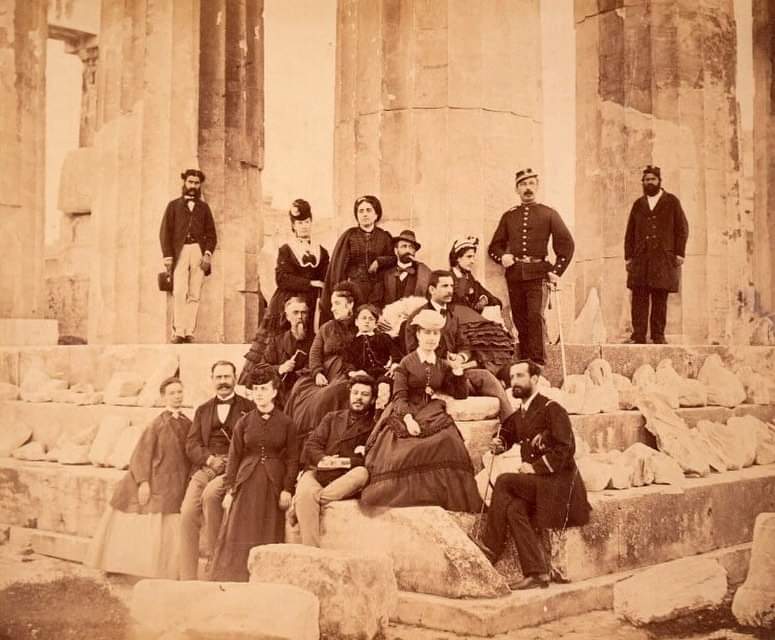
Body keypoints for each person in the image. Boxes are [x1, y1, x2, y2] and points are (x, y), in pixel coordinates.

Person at [471, 360, 591, 590]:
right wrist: (500, 443)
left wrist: (535, 468)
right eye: (512, 377)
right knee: (515, 509)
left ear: (535, 380)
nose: (514, 382)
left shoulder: (552, 409)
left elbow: (566, 450)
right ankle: (537, 572)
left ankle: (489, 546)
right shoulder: (521, 413)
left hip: (559, 484)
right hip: (541, 485)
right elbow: (509, 433)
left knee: (505, 481)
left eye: (520, 376)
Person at [361, 310, 482, 512]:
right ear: (417, 334)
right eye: (427, 333)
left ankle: (444, 496)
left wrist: (458, 371)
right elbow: (399, 396)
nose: (431, 338)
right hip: (405, 409)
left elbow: (460, 394)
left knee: (450, 442)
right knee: (400, 451)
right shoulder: (406, 364)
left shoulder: (442, 364)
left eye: (435, 334)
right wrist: (408, 420)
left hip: (431, 409)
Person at [86, 377, 191, 578]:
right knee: (142, 518)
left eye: (179, 392)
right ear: (163, 397)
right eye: (172, 393)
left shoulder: (187, 422)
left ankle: (167, 570)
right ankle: (124, 566)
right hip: (155, 479)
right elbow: (141, 455)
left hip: (176, 480)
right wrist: (143, 483)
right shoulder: (156, 425)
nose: (177, 396)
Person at [208, 365, 298, 582]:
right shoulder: (245, 422)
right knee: (239, 529)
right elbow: (235, 456)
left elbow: (293, 459)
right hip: (246, 481)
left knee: (267, 529)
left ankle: (263, 578)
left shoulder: (287, 423)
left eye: (264, 389)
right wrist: (230, 490)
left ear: (275, 392)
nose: (259, 394)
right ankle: (234, 577)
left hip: (273, 484)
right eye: (256, 389)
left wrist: (287, 489)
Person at [488, 168, 574, 365]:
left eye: (531, 184)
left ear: (537, 186)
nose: (528, 188)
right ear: (517, 189)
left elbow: (567, 244)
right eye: (523, 184)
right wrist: (503, 257)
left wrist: (556, 271)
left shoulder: (548, 213)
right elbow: (495, 246)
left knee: (535, 316)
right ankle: (525, 359)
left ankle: (537, 361)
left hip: (538, 274)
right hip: (515, 274)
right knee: (519, 317)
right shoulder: (509, 216)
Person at [404, 271, 515, 422]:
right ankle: (511, 425)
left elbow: (464, 345)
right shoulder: (417, 317)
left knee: (484, 376)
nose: (450, 290)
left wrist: (461, 357)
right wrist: (446, 363)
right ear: (431, 290)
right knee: (481, 378)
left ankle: (510, 426)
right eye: (444, 286)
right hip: (431, 373)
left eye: (451, 285)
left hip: (455, 369)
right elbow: (414, 354)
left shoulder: (453, 316)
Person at [179, 360, 255, 581]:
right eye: (218, 377)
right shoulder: (203, 410)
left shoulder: (248, 408)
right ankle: (187, 576)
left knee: (210, 500)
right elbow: (191, 444)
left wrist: (232, 462)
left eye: (227, 377)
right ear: (212, 380)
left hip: (233, 469)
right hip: (206, 467)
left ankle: (215, 562)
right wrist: (209, 459)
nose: (223, 382)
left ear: (235, 378)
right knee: (187, 514)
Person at [240, 200, 329, 372]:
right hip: (286, 299)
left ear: (311, 223)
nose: (304, 226)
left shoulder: (321, 251)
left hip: (311, 301)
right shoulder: (286, 250)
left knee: (309, 337)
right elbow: (282, 278)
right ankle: (270, 373)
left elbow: (326, 276)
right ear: (294, 226)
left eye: (307, 222)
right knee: (279, 339)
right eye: (300, 223)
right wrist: (310, 283)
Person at [293, 373, 377, 547]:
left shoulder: (374, 425)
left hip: (345, 478)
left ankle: (303, 506)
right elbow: (312, 444)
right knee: (305, 491)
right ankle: (312, 551)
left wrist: (344, 462)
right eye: (355, 393)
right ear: (349, 395)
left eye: (364, 395)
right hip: (320, 471)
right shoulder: (332, 417)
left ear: (373, 399)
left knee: (362, 473)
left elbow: (372, 456)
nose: (358, 398)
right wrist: (323, 459)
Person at [284, 282, 359, 453]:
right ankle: (296, 445)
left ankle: (318, 443)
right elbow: (315, 353)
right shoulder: (327, 328)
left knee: (326, 397)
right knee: (300, 390)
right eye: (332, 304)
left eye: (337, 304)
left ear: (350, 304)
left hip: (348, 372)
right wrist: (317, 372)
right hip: (325, 371)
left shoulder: (361, 323)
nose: (333, 309)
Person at [624, 165, 689, 344]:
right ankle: (638, 336)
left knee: (660, 298)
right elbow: (630, 232)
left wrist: (679, 253)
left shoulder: (672, 201)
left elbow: (682, 229)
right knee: (639, 298)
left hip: (663, 258)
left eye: (652, 179)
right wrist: (628, 257)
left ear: (659, 181)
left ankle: (658, 335)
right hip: (641, 259)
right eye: (646, 180)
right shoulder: (639, 204)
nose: (648, 183)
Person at [159, 168, 217, 344]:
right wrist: (168, 256)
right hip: (180, 252)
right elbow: (165, 233)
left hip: (198, 252)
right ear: (184, 182)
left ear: (200, 185)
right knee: (179, 291)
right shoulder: (173, 206)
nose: (193, 186)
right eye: (190, 182)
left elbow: (212, 234)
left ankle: (189, 331)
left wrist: (207, 254)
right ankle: (178, 331)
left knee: (194, 293)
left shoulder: (204, 208)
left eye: (196, 183)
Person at [319, 195, 394, 323]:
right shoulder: (349, 236)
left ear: (376, 215)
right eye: (361, 211)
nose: (364, 214)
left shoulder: (384, 237)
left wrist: (379, 261)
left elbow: (393, 258)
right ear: (357, 216)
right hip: (354, 288)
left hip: (377, 289)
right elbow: (338, 267)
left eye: (368, 210)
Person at [240, 297, 313, 407]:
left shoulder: (315, 341)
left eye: (304, 313)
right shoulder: (277, 341)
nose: (300, 317)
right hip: (280, 394)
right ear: (288, 317)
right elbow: (261, 368)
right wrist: (280, 368)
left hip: (305, 393)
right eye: (295, 312)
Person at [369, 229, 432, 309]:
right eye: (404, 246)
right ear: (396, 251)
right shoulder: (385, 274)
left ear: (414, 252)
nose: (408, 250)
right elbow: (375, 303)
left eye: (411, 247)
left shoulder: (424, 275)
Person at [449, 236, 502, 312]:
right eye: (469, 257)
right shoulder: (449, 280)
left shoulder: (469, 278)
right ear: (457, 258)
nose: (472, 261)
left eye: (473, 257)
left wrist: (484, 299)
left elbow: (496, 301)